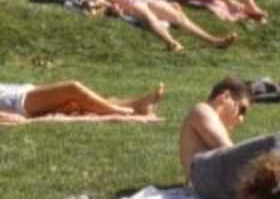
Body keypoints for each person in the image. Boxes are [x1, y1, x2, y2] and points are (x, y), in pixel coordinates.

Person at [179, 78, 280, 199]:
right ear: (225, 97)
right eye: (242, 109)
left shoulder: (205, 118)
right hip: (204, 173)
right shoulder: (203, 109)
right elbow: (227, 149)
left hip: (210, 189)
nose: (240, 119)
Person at [80, 0, 239, 53]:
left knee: (179, 16)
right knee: (150, 17)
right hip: (128, 1)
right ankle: (171, 43)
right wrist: (108, 7)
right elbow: (99, 3)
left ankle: (214, 41)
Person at [0, 79, 165, 125]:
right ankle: (123, 112)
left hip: (25, 93)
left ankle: (137, 104)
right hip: (20, 102)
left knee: (86, 101)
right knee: (73, 88)